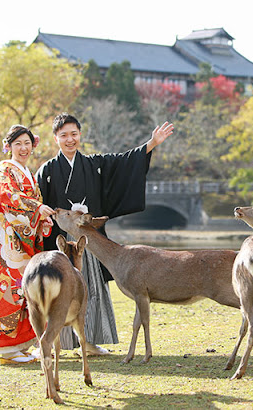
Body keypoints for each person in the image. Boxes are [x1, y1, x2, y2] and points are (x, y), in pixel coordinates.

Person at [36, 113, 173, 355]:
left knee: (92, 289)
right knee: (62, 290)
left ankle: (88, 342)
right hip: (61, 243)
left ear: (80, 135)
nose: (70, 140)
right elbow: (38, 204)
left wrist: (151, 144)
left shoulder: (94, 165)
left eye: (74, 134)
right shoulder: (47, 170)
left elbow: (123, 162)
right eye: (64, 135)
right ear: (56, 138)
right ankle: (60, 341)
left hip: (90, 242)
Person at [0, 125, 55, 364]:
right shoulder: (4, 174)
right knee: (5, 292)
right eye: (18, 143)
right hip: (6, 244)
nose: (23, 148)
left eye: (27, 143)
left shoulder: (25, 173)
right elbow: (8, 198)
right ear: (8, 146)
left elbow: (30, 201)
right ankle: (4, 349)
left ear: (33, 145)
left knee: (23, 292)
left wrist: (41, 219)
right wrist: (36, 209)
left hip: (20, 242)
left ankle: (19, 346)